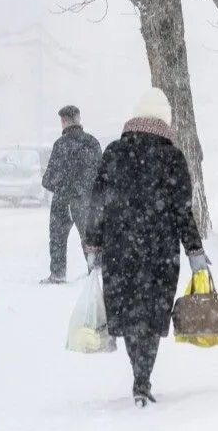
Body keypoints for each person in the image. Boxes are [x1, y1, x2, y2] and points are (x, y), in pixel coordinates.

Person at [84, 87, 210, 407]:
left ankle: (137, 371)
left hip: (120, 247)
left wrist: (94, 245)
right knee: (152, 313)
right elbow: (182, 210)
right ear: (164, 119)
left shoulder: (113, 152)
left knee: (129, 312)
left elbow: (97, 205)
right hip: (160, 249)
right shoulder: (172, 157)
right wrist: (194, 251)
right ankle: (143, 377)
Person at [39, 105, 102, 285]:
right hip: (86, 200)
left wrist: (58, 184)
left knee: (58, 237)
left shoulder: (60, 145)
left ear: (64, 121)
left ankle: (58, 274)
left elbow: (49, 179)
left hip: (62, 200)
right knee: (89, 238)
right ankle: (95, 273)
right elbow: (100, 173)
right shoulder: (92, 142)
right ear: (78, 119)